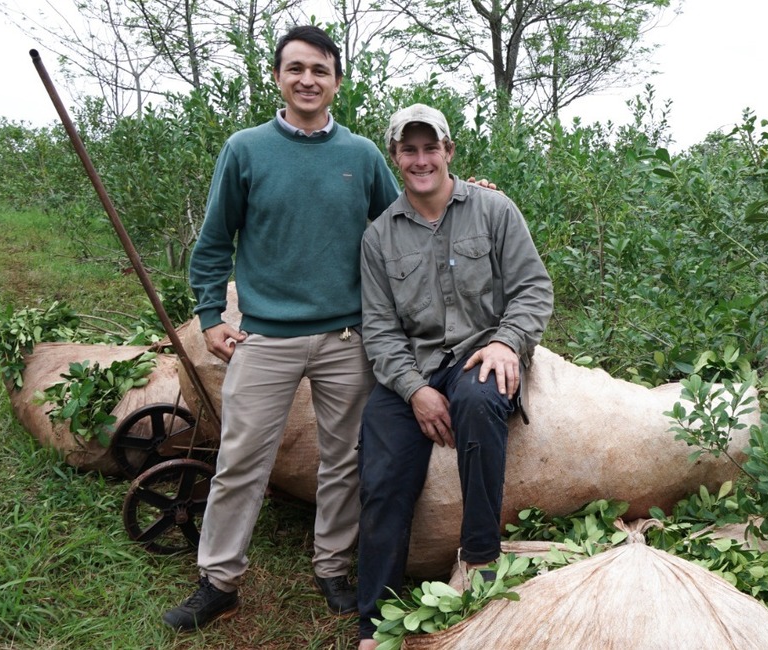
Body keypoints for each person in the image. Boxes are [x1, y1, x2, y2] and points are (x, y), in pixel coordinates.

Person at [162, 25, 400, 631]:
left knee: (343, 457)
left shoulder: (362, 156)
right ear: (277, 77)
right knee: (242, 458)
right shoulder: (245, 149)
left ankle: (332, 565)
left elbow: (403, 224)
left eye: (320, 70)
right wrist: (212, 316)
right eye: (296, 69)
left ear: (337, 83)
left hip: (348, 337)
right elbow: (215, 241)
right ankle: (218, 580)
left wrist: (463, 197)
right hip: (265, 335)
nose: (307, 80)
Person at [355, 103, 554, 649]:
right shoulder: (379, 237)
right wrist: (415, 390)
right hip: (414, 367)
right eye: (409, 149)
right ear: (395, 157)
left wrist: (507, 341)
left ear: (449, 150)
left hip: (478, 351)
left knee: (481, 402)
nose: (421, 159)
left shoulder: (493, 210)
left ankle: (481, 563)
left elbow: (533, 289)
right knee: (383, 466)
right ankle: (377, 618)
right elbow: (379, 328)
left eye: (430, 147)